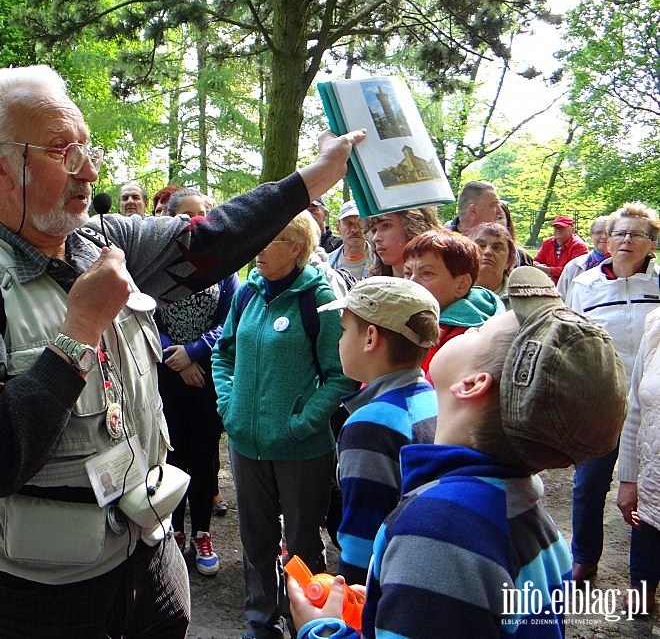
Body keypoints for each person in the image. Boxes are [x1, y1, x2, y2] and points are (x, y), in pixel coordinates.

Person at [0, 64, 367, 637]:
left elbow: (207, 242)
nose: (89, 171)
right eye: (64, 151)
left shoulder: (105, 240)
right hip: (39, 598)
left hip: (151, 562)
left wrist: (313, 178)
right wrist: (78, 332)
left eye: (86, 149)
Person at [289, 266, 628, 638]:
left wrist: (321, 630)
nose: (469, 328)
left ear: (471, 384)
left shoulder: (438, 531)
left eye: (479, 330)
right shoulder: (520, 507)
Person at [212, 211, 356, 639]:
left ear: (296, 248)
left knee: (303, 544)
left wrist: (302, 422)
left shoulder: (320, 298)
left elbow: (341, 375)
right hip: (245, 444)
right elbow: (224, 353)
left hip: (301, 449)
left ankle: (309, 624)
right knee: (256, 542)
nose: (256, 249)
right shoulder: (247, 295)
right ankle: (261, 623)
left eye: (268, 239)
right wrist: (228, 405)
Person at [319, 277, 439, 585]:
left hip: (385, 585)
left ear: (370, 338)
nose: (340, 340)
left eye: (345, 331)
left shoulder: (370, 425)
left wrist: (350, 603)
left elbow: (363, 535)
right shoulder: (430, 398)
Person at [565, 201, 660, 582]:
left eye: (637, 234)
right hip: (602, 398)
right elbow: (568, 337)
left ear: (652, 243)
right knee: (589, 483)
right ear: (607, 239)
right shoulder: (585, 283)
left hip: (653, 405)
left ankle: (644, 578)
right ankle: (584, 558)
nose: (626, 240)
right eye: (619, 233)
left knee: (650, 488)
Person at [155, 187, 239, 576]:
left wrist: (195, 352)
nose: (196, 220)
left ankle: (201, 532)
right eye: (187, 213)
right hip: (166, 376)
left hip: (206, 377)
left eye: (203, 212)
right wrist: (176, 354)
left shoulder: (224, 266)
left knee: (205, 457)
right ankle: (171, 532)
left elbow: (228, 322)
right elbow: (143, 317)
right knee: (170, 455)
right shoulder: (155, 264)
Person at [402, 229, 504, 378]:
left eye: (426, 273)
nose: (411, 282)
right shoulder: (401, 316)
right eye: (407, 272)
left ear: (461, 284)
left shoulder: (468, 340)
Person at [617, 307, 660, 615]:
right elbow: (635, 411)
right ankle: (644, 584)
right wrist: (628, 479)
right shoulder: (656, 327)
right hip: (653, 483)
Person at [362, 207, 440, 277]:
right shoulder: (373, 287)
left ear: (413, 226)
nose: (375, 238)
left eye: (386, 226)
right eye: (374, 230)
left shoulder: (444, 276)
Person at [556, 215, 609, 299]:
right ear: (591, 235)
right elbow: (560, 299)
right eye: (599, 232)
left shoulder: (627, 267)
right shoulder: (573, 266)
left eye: (608, 233)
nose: (604, 236)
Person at [466, 221, 516, 303]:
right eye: (481, 246)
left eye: (497, 248)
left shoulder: (520, 298)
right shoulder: (453, 293)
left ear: (509, 260)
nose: (487, 252)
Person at [532, 215, 589, 285]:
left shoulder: (579, 246)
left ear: (572, 230)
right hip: (548, 284)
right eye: (556, 227)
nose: (558, 229)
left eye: (562, 227)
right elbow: (537, 260)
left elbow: (572, 271)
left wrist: (548, 270)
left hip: (570, 285)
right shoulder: (547, 243)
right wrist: (536, 264)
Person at [327, 200, 370, 280]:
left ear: (368, 227)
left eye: (360, 223)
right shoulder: (326, 264)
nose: (355, 229)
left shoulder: (383, 261)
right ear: (338, 227)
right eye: (349, 224)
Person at [496, 200, 534, 268]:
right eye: (491, 216)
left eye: (499, 217)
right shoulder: (475, 254)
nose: (495, 222)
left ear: (507, 221)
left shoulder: (523, 258)